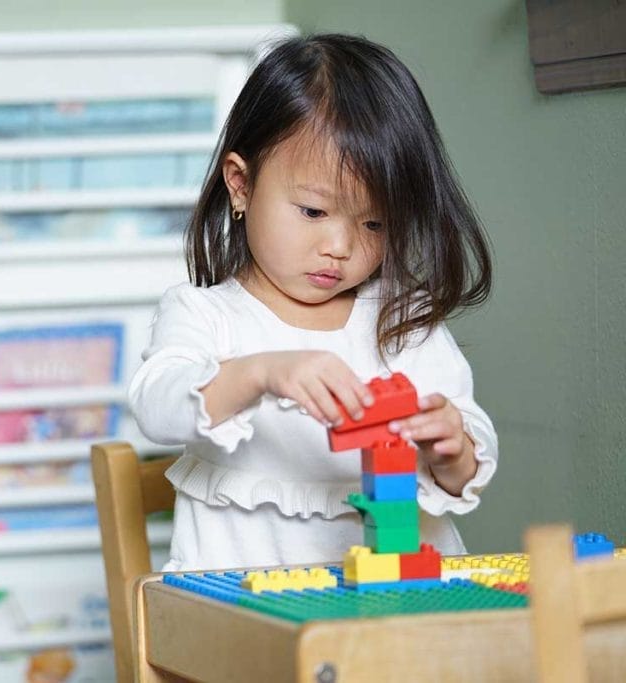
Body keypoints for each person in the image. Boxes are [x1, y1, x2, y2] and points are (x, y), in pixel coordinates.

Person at [128, 33, 497, 571]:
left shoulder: (404, 321)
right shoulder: (204, 315)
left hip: (402, 606)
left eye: (374, 223)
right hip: (248, 618)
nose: (340, 247)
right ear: (241, 184)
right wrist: (260, 373)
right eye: (313, 212)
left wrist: (453, 449)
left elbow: (464, 465)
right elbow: (156, 405)